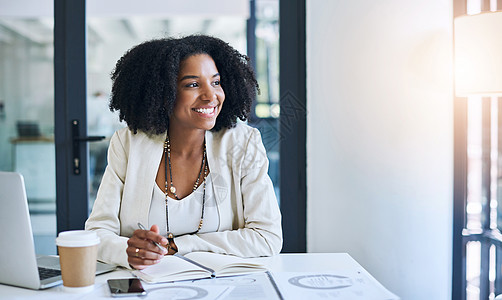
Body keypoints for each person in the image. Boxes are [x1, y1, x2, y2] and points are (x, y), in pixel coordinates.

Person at [85, 35, 282, 270]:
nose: (211, 96)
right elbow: (97, 233)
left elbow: (267, 238)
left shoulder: (242, 143)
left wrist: (179, 245)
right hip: (144, 285)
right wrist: (127, 251)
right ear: (163, 93)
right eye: (192, 84)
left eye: (216, 82)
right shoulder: (129, 144)